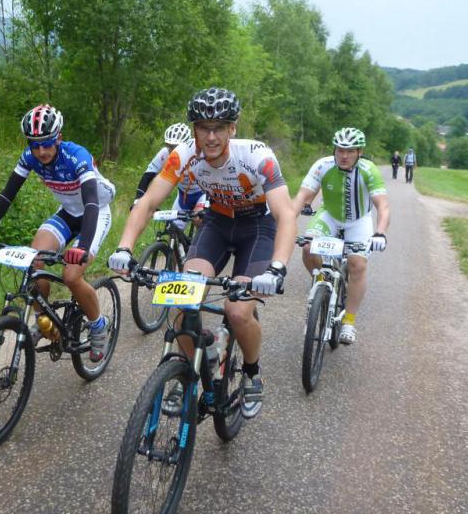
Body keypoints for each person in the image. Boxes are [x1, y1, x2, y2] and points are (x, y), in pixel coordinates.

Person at [108, 87, 296, 418]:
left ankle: (252, 373)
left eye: (219, 127)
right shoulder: (182, 155)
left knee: (237, 311)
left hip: (259, 229)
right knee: (180, 298)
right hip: (217, 224)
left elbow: (285, 215)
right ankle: (190, 370)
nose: (211, 137)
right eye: (203, 128)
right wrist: (124, 247)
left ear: (232, 129)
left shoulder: (257, 156)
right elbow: (149, 202)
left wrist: (278, 267)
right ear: (193, 129)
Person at [0, 104, 116, 361]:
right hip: (68, 211)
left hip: (95, 212)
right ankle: (45, 320)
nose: (41, 151)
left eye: (46, 143)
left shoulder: (77, 156)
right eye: (35, 145)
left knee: (71, 275)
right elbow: (6, 195)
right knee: (34, 263)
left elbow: (90, 202)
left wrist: (82, 246)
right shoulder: (30, 156)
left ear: (58, 137)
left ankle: (98, 325)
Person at [291, 127, 390, 344]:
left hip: (358, 222)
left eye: (350, 151)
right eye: (340, 150)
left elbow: (382, 206)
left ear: (359, 152)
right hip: (329, 216)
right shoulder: (322, 165)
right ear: (334, 149)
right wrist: (286, 224)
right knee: (308, 247)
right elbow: (301, 197)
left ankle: (349, 322)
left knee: (357, 264)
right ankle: (320, 283)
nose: (344, 155)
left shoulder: (368, 170)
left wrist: (380, 233)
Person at [132, 122, 207, 229]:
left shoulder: (198, 152)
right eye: (169, 146)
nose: (172, 151)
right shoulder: (164, 154)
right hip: (183, 197)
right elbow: (148, 175)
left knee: (198, 220)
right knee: (172, 231)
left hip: (201, 194)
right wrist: (137, 200)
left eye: (176, 147)